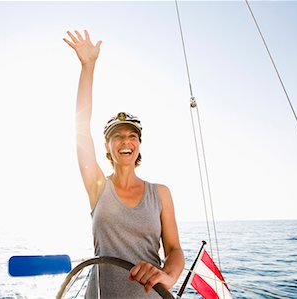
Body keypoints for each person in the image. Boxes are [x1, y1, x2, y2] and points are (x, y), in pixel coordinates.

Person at [63, 30, 185, 298]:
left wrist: (168, 276)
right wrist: (88, 67)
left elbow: (174, 250)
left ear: (139, 144)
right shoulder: (97, 187)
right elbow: (81, 131)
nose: (125, 141)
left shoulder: (160, 193)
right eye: (117, 136)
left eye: (132, 136)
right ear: (107, 146)